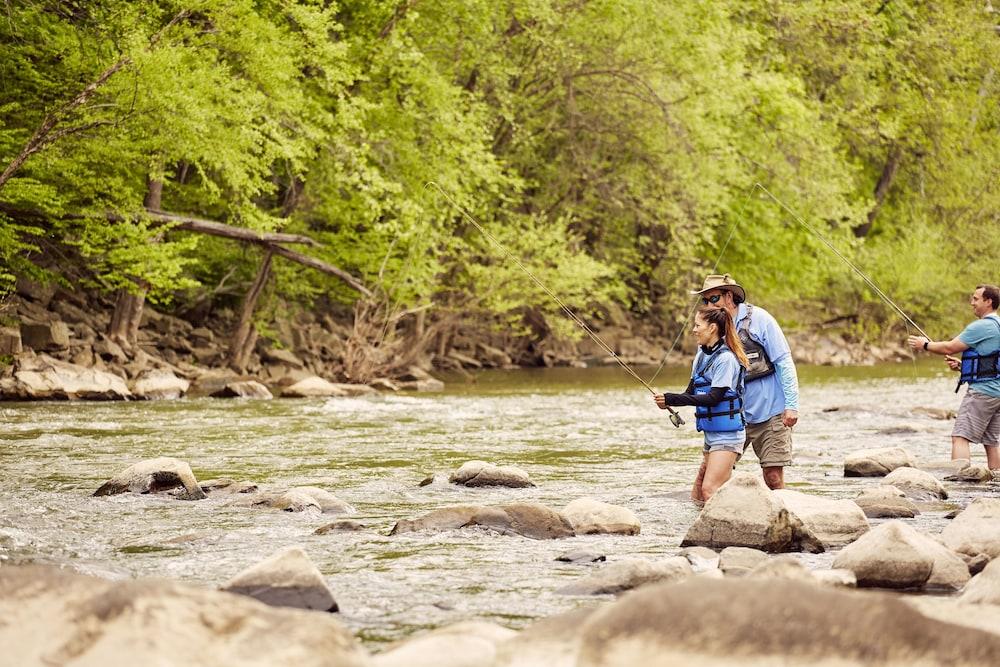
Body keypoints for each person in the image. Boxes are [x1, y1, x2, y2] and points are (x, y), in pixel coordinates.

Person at [692, 274, 799, 490]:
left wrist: (792, 406)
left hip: (771, 412)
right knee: (706, 475)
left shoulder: (761, 320)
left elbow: (784, 362)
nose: (708, 305)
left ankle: (785, 520)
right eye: (705, 301)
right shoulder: (710, 328)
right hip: (731, 417)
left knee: (773, 477)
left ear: (729, 296)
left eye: (713, 299)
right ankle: (702, 519)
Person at [655, 306, 749, 502]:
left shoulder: (725, 359)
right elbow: (690, 393)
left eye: (698, 325)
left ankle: (723, 529)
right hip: (711, 433)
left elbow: (713, 398)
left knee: (709, 490)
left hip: (728, 436)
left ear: (712, 328)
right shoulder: (701, 356)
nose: (694, 330)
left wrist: (672, 398)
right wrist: (667, 402)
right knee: (698, 492)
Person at [907, 284, 1000, 470]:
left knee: (960, 437)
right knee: (992, 441)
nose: (971, 302)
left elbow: (949, 347)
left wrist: (924, 345)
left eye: (976, 299)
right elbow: (992, 362)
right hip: (997, 393)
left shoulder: (981, 326)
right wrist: (962, 367)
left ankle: (960, 480)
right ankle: (996, 480)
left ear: (988, 301)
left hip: (982, 393)